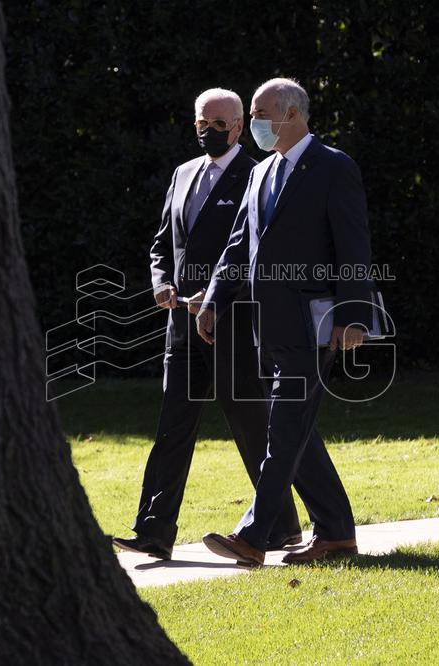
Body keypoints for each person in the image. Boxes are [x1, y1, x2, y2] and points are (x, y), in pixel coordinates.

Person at [111, 88, 301, 561]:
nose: (208, 131)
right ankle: (154, 530)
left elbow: (252, 251)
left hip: (232, 325)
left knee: (251, 424)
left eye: (219, 123)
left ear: (239, 126)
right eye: (202, 122)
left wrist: (214, 297)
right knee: (173, 425)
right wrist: (161, 283)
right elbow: (162, 244)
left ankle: (281, 525)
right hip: (181, 326)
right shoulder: (182, 174)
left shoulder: (255, 176)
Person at [195, 78, 372, 566]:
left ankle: (254, 535)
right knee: (295, 430)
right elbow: (238, 245)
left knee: (284, 428)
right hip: (266, 327)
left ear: (291, 114)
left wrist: (354, 316)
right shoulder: (261, 172)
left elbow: (354, 247)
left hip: (313, 325)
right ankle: (336, 534)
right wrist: (213, 299)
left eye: (259, 113)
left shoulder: (334, 167)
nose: (253, 123)